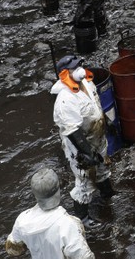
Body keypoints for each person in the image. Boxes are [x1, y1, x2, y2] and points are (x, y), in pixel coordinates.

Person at [50, 54, 115, 223]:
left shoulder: (86, 82)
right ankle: (83, 219)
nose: (79, 69)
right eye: (73, 68)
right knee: (84, 182)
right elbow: (72, 131)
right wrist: (87, 153)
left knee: (102, 167)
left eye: (79, 65)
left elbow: (96, 105)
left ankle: (107, 194)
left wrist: (107, 123)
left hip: (97, 138)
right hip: (81, 146)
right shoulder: (65, 99)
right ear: (65, 73)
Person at [5, 167, 94, 258]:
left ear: (35, 195)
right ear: (58, 190)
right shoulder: (69, 225)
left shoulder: (22, 220)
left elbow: (12, 250)